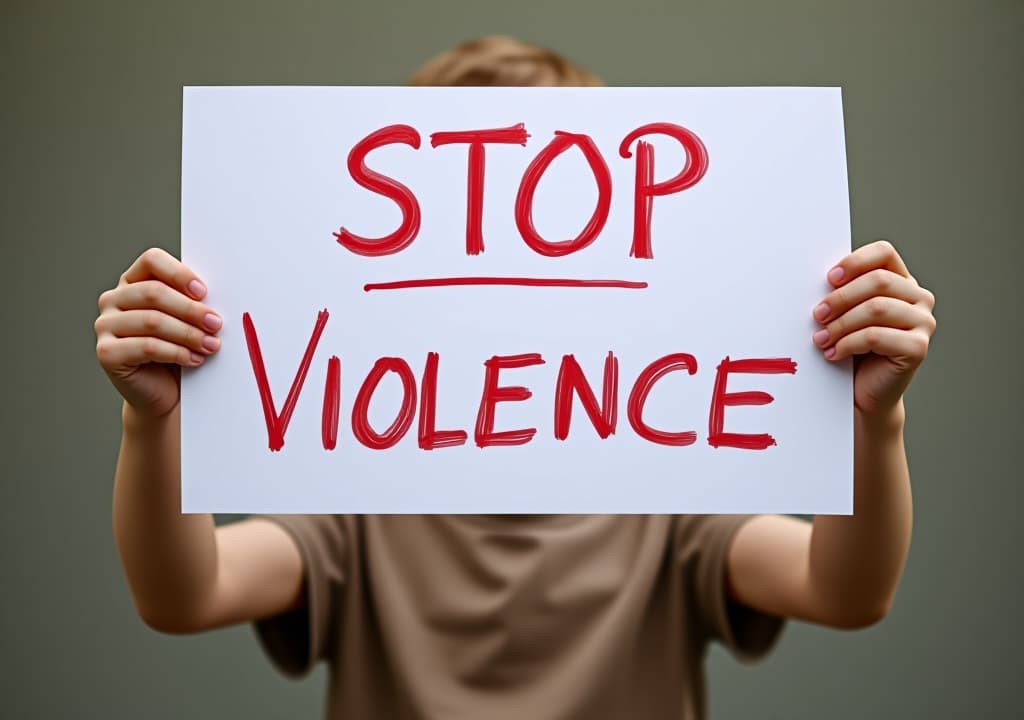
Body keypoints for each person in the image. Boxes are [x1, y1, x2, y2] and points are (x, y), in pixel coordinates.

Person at [94, 36, 937, 720]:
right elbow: (185, 595)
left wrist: (873, 421)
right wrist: (154, 422)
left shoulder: (673, 490)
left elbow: (845, 590)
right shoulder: (355, 493)